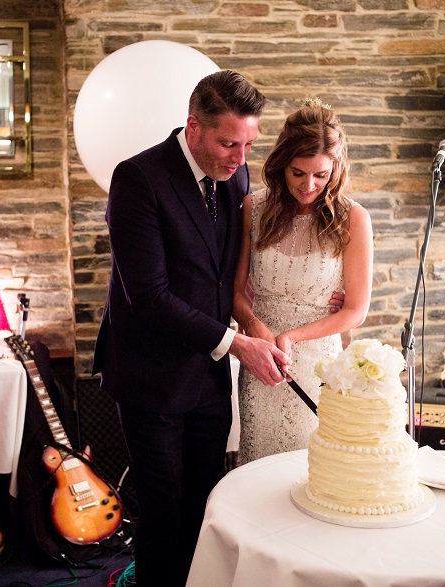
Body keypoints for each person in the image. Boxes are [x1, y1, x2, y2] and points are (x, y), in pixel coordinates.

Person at [91, 70, 292, 587]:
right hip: (150, 373)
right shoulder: (138, 179)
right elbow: (150, 298)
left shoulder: (237, 176)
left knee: (208, 500)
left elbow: (229, 273)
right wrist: (237, 344)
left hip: (209, 371)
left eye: (248, 143)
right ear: (192, 127)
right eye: (228, 143)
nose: (240, 157)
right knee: (164, 512)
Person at [233, 99, 374, 465]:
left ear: (336, 169)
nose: (308, 185)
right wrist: (254, 325)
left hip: (317, 363)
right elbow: (233, 292)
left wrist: (293, 336)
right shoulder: (254, 208)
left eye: (321, 175)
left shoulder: (353, 219)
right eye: (298, 173)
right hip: (262, 358)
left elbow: (356, 311)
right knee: (258, 466)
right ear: (282, 164)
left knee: (313, 471)